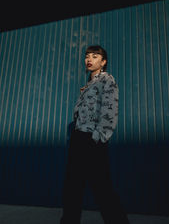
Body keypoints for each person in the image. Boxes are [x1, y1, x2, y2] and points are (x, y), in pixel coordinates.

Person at [60, 45, 130, 224]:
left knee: (102, 188)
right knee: (73, 188)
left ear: (103, 62)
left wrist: (97, 138)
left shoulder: (106, 80)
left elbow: (110, 110)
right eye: (87, 56)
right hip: (78, 139)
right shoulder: (88, 85)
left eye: (95, 56)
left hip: (92, 139)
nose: (89, 59)